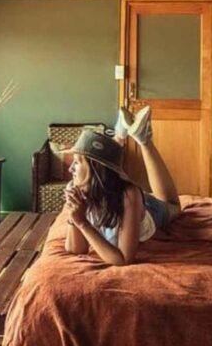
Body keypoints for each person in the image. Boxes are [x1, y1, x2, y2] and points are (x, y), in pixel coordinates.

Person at [63, 106, 181, 266]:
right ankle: (120, 132)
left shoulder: (129, 195)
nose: (70, 169)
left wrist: (82, 223)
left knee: (174, 206)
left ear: (93, 170)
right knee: (107, 164)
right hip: (109, 185)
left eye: (76, 162)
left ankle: (144, 139)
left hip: (146, 209)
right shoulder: (77, 186)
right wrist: (74, 218)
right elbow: (77, 250)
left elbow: (124, 259)